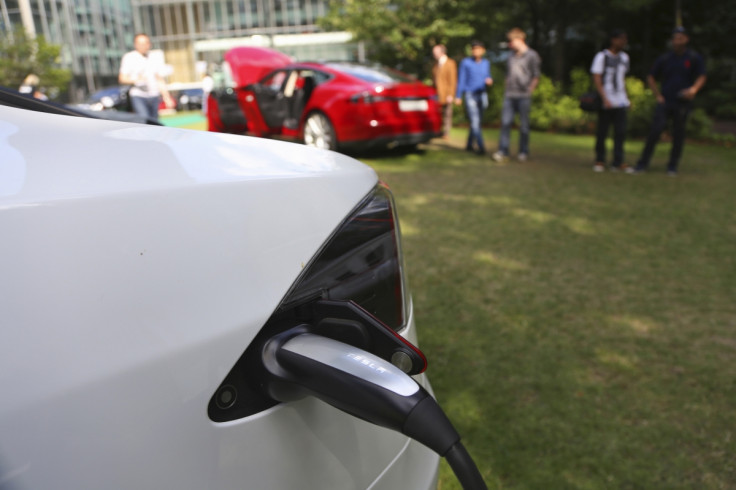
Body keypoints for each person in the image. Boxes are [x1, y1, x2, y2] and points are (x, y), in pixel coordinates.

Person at [628, 26, 706, 176]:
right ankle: (642, 164)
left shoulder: (693, 58)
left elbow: (702, 75)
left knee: (679, 134)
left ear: (686, 39)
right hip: (665, 101)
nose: (678, 40)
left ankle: (672, 166)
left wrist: (694, 89)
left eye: (681, 37)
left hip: (682, 103)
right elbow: (651, 76)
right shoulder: (665, 59)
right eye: (675, 38)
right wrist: (657, 95)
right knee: (655, 131)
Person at [492, 28, 541, 163]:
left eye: (511, 41)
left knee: (524, 125)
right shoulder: (510, 56)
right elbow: (508, 74)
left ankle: (523, 151)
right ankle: (503, 150)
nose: (510, 44)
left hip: (524, 95)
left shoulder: (532, 55)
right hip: (510, 94)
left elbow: (536, 76)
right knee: (505, 123)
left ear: (520, 40)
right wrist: (506, 88)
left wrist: (530, 90)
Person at [591, 29, 631, 172]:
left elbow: (622, 79)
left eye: (625, 39)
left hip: (620, 100)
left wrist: (627, 98)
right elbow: (597, 78)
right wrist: (604, 98)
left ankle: (617, 161)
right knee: (603, 131)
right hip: (606, 99)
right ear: (613, 40)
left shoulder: (625, 58)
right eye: (621, 39)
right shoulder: (602, 57)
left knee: (620, 132)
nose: (623, 42)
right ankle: (600, 160)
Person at [118, 33, 174, 121]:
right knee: (144, 120)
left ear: (149, 44)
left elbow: (159, 79)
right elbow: (122, 78)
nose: (143, 46)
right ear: (135, 44)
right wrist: (136, 80)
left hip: (154, 95)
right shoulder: (129, 57)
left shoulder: (155, 57)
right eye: (140, 44)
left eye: (145, 43)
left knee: (154, 122)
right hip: (138, 96)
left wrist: (167, 97)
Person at [455, 41, 493, 155]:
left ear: (483, 50)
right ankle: (481, 147)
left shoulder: (486, 63)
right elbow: (461, 79)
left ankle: (469, 144)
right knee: (475, 121)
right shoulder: (466, 63)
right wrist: (458, 96)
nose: (476, 51)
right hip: (470, 94)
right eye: (474, 49)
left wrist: (489, 80)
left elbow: (487, 75)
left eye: (478, 48)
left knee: (476, 122)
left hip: (482, 95)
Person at [432, 44, 458, 139]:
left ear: (442, 52)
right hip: (437, 94)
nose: (434, 54)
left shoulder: (450, 63)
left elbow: (453, 80)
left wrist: (451, 94)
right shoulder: (436, 64)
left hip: (446, 93)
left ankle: (446, 133)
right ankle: (439, 131)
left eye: (435, 52)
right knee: (439, 113)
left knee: (447, 114)